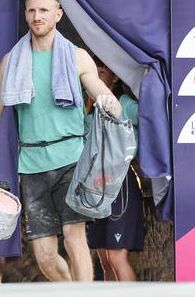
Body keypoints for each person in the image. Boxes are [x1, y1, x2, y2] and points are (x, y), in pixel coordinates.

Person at [0, 0, 121, 282]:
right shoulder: (11, 62)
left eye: (43, 10)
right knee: (44, 254)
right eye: (31, 10)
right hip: (31, 165)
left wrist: (108, 102)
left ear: (58, 14)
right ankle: (69, 289)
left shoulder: (77, 56)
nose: (37, 16)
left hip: (72, 159)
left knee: (73, 237)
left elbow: (105, 96)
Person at [85, 58, 146, 281]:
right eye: (93, 72)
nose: (96, 77)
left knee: (116, 257)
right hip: (94, 188)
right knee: (103, 257)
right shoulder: (89, 113)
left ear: (115, 76)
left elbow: (150, 114)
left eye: (102, 71)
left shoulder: (125, 103)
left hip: (120, 185)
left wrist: (149, 82)